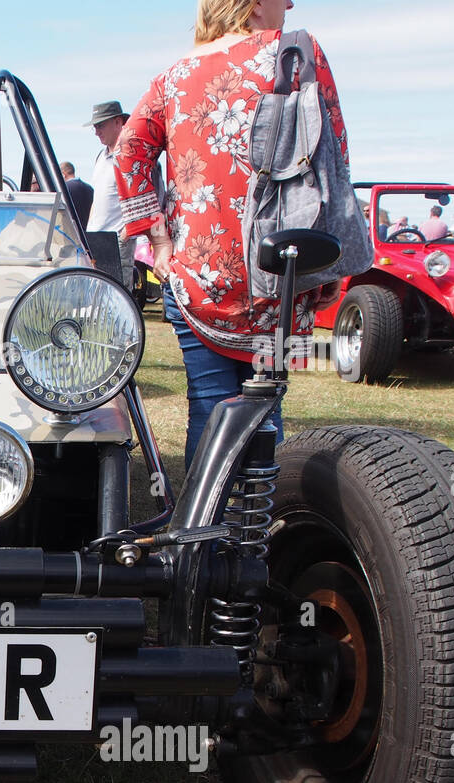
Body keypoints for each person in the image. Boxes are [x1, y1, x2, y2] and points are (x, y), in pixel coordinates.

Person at [115, 0, 349, 470]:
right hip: (279, 270)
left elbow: (128, 151)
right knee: (266, 406)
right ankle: (253, 536)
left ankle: (201, 538)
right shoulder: (299, 53)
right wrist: (329, 271)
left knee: (208, 403)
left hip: (195, 276)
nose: (291, 3)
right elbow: (332, 161)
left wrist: (158, 239)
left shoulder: (175, 76)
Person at [86, 101, 135, 288]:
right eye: (95, 127)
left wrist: (125, 236)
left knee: (117, 300)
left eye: (100, 125)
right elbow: (97, 198)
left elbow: (144, 198)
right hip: (96, 240)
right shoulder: (101, 156)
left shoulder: (130, 156)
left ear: (118, 122)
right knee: (95, 299)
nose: (97, 131)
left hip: (117, 240)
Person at [60, 160, 94, 227]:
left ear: (63, 174)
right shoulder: (89, 188)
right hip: (87, 230)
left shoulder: (64, 189)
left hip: (71, 229)